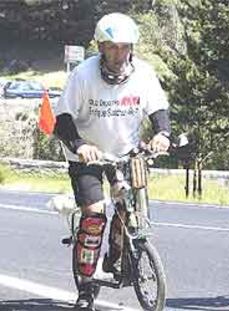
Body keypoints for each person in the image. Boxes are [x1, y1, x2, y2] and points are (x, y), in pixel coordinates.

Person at [54, 13, 171, 311]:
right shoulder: (82, 75)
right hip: (88, 156)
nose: (119, 54)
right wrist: (80, 145)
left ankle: (117, 257)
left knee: (127, 211)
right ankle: (87, 286)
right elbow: (62, 120)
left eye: (125, 47)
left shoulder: (143, 73)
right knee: (94, 219)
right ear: (100, 46)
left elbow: (158, 108)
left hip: (124, 153)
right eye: (112, 47)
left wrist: (162, 134)